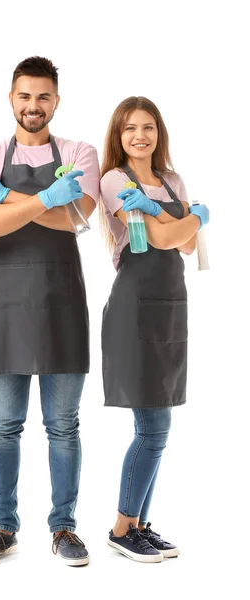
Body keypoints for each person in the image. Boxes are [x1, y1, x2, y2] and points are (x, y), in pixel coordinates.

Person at [0, 56, 100, 566]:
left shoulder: (80, 151)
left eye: (43, 96)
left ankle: (64, 528)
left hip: (62, 302)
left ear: (56, 101)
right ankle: (2, 528)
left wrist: (6, 200)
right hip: (4, 305)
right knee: (4, 425)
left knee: (63, 425)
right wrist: (43, 198)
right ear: (11, 99)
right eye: (25, 96)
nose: (33, 105)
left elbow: (78, 219)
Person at [100, 97, 210, 563]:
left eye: (148, 127)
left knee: (158, 426)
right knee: (153, 427)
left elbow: (186, 248)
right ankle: (122, 528)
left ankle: (140, 525)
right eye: (130, 129)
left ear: (158, 132)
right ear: (119, 136)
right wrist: (195, 215)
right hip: (133, 309)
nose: (140, 136)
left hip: (170, 309)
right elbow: (169, 237)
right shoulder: (112, 180)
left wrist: (170, 215)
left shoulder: (172, 179)